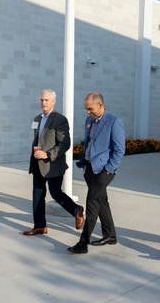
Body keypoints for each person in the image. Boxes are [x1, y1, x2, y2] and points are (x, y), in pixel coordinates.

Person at [67, 93, 125, 254]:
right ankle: (110, 235)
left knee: (92, 203)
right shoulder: (89, 120)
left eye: (90, 109)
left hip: (103, 171)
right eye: (86, 109)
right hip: (89, 169)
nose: (87, 112)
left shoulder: (114, 121)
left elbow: (120, 150)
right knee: (101, 201)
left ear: (100, 105)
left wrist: (109, 169)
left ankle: (83, 243)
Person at [24, 89, 84, 236]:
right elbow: (36, 141)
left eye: (46, 100)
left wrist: (48, 154)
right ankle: (40, 226)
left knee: (56, 193)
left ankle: (77, 210)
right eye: (42, 100)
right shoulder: (37, 118)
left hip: (53, 164)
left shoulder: (60, 119)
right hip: (38, 163)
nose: (43, 103)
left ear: (53, 101)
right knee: (37, 194)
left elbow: (65, 144)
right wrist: (33, 163)